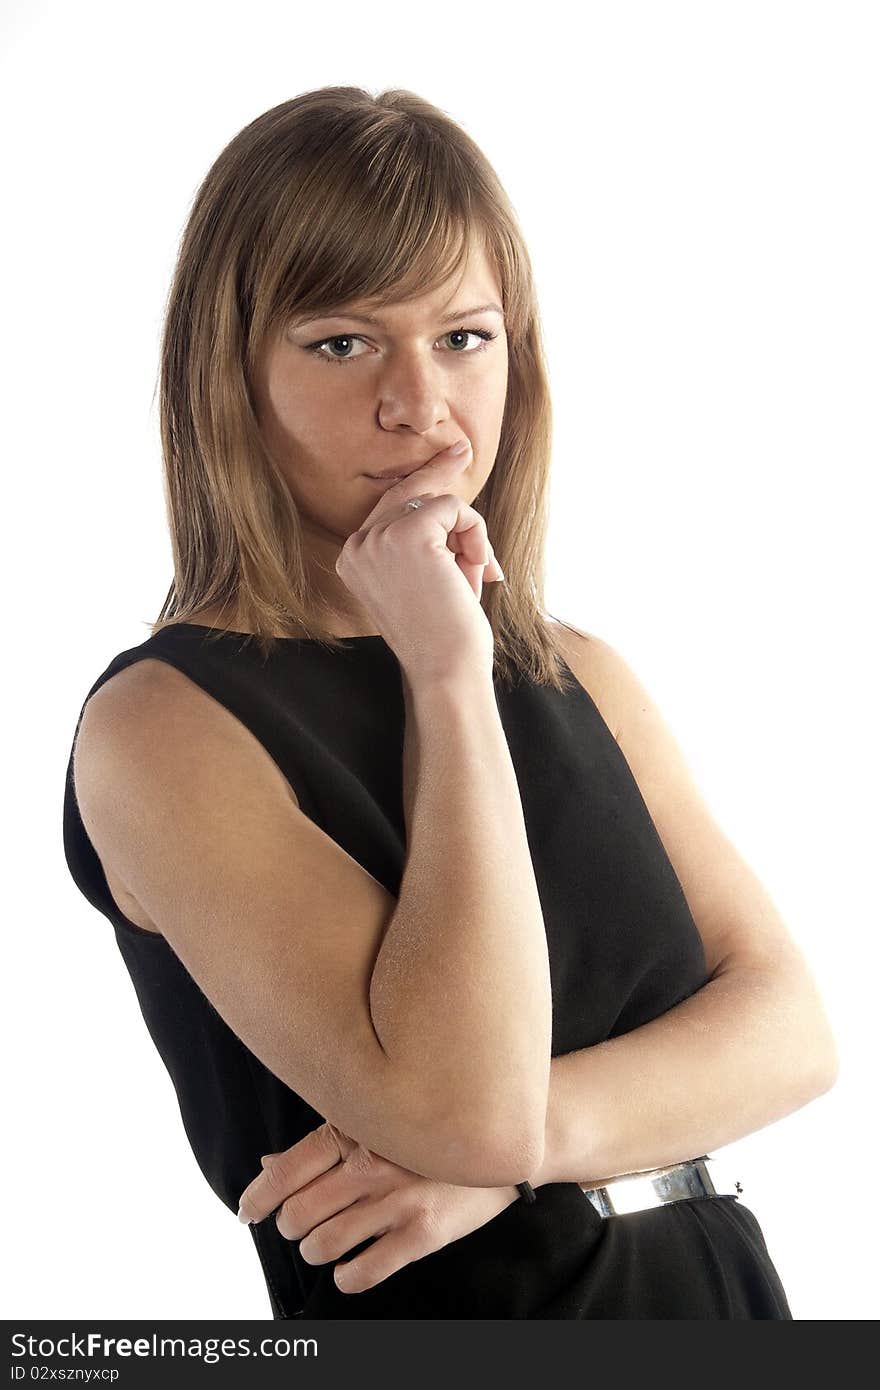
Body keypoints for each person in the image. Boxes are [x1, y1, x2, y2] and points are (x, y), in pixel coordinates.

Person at [62, 86, 837, 1319]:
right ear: (232, 373)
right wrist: (440, 672)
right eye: (342, 341)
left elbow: (792, 1031)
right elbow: (460, 1105)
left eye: (464, 337)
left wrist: (522, 1154)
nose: (420, 404)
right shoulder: (163, 726)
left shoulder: (576, 668)